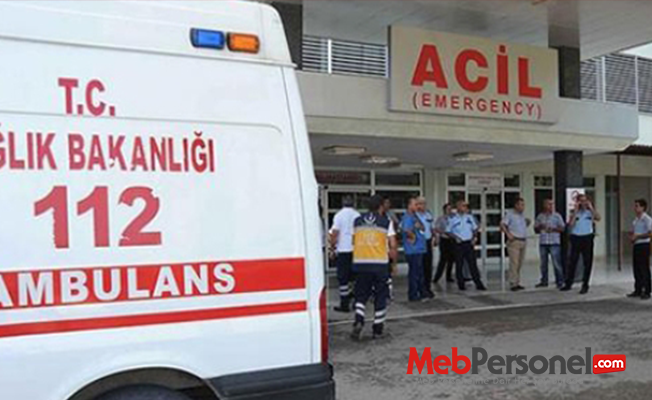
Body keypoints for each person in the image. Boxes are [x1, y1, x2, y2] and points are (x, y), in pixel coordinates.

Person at [350, 195, 398, 340]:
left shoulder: (357, 221)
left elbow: (353, 241)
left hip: (360, 263)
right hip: (379, 265)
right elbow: (393, 244)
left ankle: (359, 319)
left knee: (361, 294)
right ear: (381, 206)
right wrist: (394, 264)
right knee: (380, 296)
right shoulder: (386, 222)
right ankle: (377, 329)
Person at [561, 194, 601, 294]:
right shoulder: (574, 212)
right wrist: (575, 210)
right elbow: (571, 224)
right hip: (576, 237)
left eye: (585, 201)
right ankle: (568, 283)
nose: (583, 203)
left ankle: (585, 284)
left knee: (587, 262)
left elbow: (598, 218)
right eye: (581, 201)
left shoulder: (589, 212)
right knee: (572, 261)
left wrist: (591, 208)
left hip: (587, 237)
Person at [447, 200, 487, 291]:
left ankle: (478, 283)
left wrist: (474, 237)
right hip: (458, 244)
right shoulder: (452, 218)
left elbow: (475, 228)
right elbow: (448, 231)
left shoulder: (470, 217)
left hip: (468, 243)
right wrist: (455, 237)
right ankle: (461, 284)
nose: (465, 208)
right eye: (463, 206)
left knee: (472, 264)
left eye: (466, 206)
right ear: (458, 207)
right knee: (459, 264)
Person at [329, 195, 360, 312]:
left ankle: (344, 303)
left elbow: (334, 233)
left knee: (343, 278)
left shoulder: (339, 215)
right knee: (356, 277)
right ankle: (356, 301)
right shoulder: (357, 215)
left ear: (342, 203)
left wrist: (332, 248)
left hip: (343, 250)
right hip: (356, 250)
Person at [401, 196, 432, 301]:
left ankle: (422, 292)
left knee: (420, 272)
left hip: (419, 248)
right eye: (415, 204)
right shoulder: (408, 217)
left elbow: (423, 227)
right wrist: (413, 237)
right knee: (415, 273)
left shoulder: (415, 216)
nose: (417, 206)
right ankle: (413, 294)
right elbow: (407, 230)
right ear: (409, 205)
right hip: (413, 249)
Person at [534, 199, 566, 289]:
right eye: (548, 204)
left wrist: (553, 229)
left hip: (554, 242)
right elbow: (535, 229)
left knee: (556, 263)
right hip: (543, 242)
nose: (550, 206)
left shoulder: (557, 216)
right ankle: (544, 281)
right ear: (544, 205)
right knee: (543, 263)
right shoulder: (540, 216)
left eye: (552, 204)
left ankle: (559, 281)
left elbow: (563, 228)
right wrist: (540, 226)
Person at [501, 198, 531, 291]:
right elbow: (502, 224)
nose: (523, 207)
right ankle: (513, 283)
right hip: (514, 241)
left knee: (520, 263)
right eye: (521, 205)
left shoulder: (522, 216)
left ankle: (517, 281)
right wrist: (508, 234)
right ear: (516, 205)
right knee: (514, 263)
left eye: (523, 205)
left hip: (523, 240)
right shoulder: (510, 214)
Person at [627, 199, 652, 300]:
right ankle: (638, 289)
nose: (635, 208)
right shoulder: (636, 220)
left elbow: (650, 233)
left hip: (644, 245)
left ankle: (647, 290)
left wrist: (638, 236)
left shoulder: (647, 219)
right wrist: (632, 237)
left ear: (643, 207)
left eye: (637, 206)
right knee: (636, 268)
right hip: (636, 245)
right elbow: (635, 232)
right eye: (635, 206)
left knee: (644, 268)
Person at [416, 196, 436, 297]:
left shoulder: (428, 214)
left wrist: (435, 237)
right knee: (420, 267)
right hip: (418, 243)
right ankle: (420, 289)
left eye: (424, 203)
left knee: (428, 267)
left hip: (428, 242)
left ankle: (428, 288)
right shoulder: (414, 215)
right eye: (420, 203)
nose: (422, 206)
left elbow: (432, 228)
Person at [381, 196, 400, 299]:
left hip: (386, 247)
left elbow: (396, 225)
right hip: (376, 251)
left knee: (387, 272)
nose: (387, 205)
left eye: (388, 203)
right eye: (385, 203)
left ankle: (388, 292)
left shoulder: (390, 216)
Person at [433, 203, 456, 284]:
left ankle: (448, 277)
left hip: (452, 240)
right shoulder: (441, 219)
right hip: (444, 240)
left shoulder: (454, 218)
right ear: (444, 210)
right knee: (443, 259)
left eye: (450, 209)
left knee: (451, 259)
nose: (449, 210)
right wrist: (443, 232)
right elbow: (436, 228)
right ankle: (437, 277)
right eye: (448, 209)